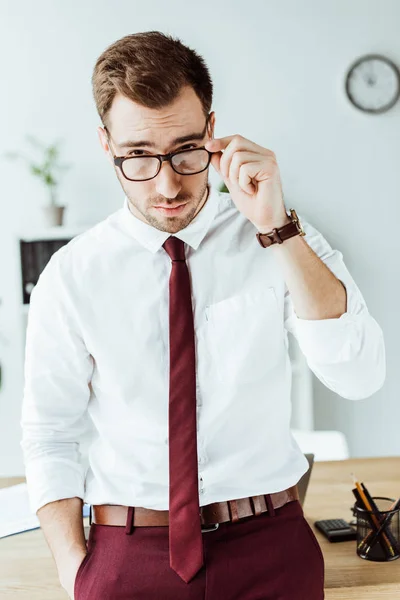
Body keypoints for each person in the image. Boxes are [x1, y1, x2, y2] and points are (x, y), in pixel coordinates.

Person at [20, 30, 386, 600]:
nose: (167, 185)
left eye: (186, 151)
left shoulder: (283, 235)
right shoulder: (72, 276)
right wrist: (77, 573)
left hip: (272, 548)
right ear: (105, 143)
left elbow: (359, 376)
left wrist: (277, 230)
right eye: (139, 155)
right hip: (127, 556)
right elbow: (49, 433)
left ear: (213, 133)